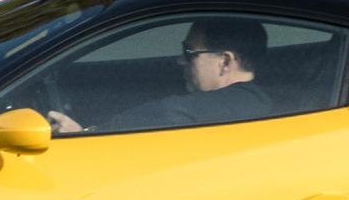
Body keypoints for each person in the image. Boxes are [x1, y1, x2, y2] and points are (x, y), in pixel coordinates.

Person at [48, 17, 274, 134]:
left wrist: (85, 134)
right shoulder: (250, 102)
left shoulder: (235, 106)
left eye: (189, 52)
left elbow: (167, 114)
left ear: (225, 62)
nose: (180, 60)